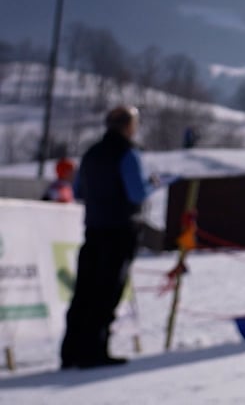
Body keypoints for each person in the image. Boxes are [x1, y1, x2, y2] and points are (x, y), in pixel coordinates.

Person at [61, 105, 149, 370]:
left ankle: (71, 352)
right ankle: (94, 351)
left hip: (93, 229)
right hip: (119, 229)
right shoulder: (127, 154)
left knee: (84, 292)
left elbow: (78, 190)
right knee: (107, 292)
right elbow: (136, 194)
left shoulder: (90, 154)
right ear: (128, 126)